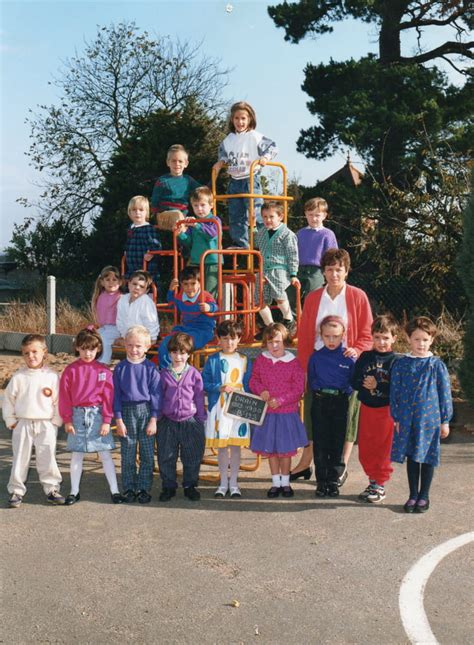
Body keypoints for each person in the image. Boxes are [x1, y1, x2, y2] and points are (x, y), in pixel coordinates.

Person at [293, 248, 373, 482]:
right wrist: (305, 369)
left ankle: (341, 466)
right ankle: (306, 462)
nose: (334, 274)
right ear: (324, 272)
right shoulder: (314, 297)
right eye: (329, 269)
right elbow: (306, 336)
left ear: (346, 272)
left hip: (346, 366)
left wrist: (356, 349)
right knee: (312, 415)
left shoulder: (358, 296)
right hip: (318, 364)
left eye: (339, 270)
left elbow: (367, 334)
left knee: (347, 417)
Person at [390, 317, 453, 513]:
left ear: (432, 340)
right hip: (408, 419)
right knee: (412, 457)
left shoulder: (436, 365)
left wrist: (445, 420)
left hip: (430, 421)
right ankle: (412, 495)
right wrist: (397, 418)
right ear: (409, 339)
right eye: (417, 339)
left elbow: (444, 394)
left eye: (425, 339)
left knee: (426, 457)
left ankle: (424, 495)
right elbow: (395, 392)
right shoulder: (401, 364)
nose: (421, 344)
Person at [59, 327, 123, 505]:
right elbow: (64, 397)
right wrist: (67, 419)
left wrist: (106, 421)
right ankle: (74, 491)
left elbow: (108, 397)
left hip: (97, 415)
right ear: (77, 348)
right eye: (84, 348)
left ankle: (115, 491)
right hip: (77, 416)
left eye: (92, 349)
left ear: (98, 349)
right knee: (77, 454)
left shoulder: (103, 371)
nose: (88, 353)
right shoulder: (70, 370)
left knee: (105, 454)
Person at [3, 334, 65, 508]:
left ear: (44, 352)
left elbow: (59, 401)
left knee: (47, 457)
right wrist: (11, 420)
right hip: (23, 423)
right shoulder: (19, 377)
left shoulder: (52, 376)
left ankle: (52, 489)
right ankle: (16, 490)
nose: (31, 356)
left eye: (35, 352)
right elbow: (8, 400)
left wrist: (56, 422)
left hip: (46, 423)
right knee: (20, 457)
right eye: (26, 353)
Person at [249, 323, 307, 498]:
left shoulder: (293, 363)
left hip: (286, 414)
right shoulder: (261, 360)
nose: (274, 346)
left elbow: (298, 389)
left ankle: (285, 483)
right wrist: (261, 391)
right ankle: (275, 483)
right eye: (269, 342)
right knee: (271, 450)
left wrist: (281, 400)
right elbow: (253, 380)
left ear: (285, 342)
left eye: (277, 342)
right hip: (267, 414)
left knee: (285, 450)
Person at [213, 101, 277, 248]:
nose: (240, 122)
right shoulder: (229, 139)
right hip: (234, 181)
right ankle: (241, 243)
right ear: (231, 119)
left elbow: (273, 147)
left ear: (250, 119)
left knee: (257, 214)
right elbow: (223, 154)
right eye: (236, 118)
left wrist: (265, 158)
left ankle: (266, 243)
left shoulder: (254, 136)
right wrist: (221, 162)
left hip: (250, 180)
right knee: (236, 216)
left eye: (243, 118)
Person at [202, 319, 252, 498]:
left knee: (235, 447)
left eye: (233, 338)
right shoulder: (213, 359)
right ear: (218, 339)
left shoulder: (244, 359)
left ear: (239, 339)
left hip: (238, 407)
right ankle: (223, 483)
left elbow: (249, 384)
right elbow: (205, 382)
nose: (229, 342)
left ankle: (234, 483)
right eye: (224, 338)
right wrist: (219, 387)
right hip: (220, 407)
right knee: (222, 447)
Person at [352, 314, 399, 503]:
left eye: (386, 338)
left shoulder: (396, 361)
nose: (381, 342)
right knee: (366, 447)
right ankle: (372, 481)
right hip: (367, 408)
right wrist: (365, 384)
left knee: (383, 448)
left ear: (394, 338)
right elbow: (353, 381)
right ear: (372, 336)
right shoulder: (365, 357)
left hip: (385, 412)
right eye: (378, 337)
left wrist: (377, 386)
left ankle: (380, 483)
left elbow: (396, 389)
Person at [113, 325, 162, 504]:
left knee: (148, 454)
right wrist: (118, 419)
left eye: (139, 346)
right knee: (128, 452)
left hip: (146, 412)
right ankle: (129, 487)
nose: (134, 349)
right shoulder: (120, 369)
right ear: (125, 345)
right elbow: (116, 395)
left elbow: (157, 395)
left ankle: (143, 487)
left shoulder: (151, 369)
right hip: (126, 412)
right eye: (131, 345)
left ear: (147, 347)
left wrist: (154, 419)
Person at [308, 316, 356, 497]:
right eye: (327, 336)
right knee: (320, 443)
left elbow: (353, 380)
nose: (331, 340)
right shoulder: (316, 357)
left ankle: (333, 481)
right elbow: (312, 378)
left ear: (343, 335)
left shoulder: (348, 357)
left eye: (335, 336)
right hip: (320, 401)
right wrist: (319, 392)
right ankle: (321, 482)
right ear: (321, 335)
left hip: (340, 402)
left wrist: (344, 392)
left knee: (337, 442)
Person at [156, 332, 206, 502]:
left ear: (189, 354)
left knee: (192, 455)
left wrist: (201, 417)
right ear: (169, 354)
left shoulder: (194, 374)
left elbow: (199, 396)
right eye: (175, 352)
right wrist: (158, 417)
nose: (178, 356)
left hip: (190, 420)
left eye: (183, 353)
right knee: (166, 455)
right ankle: (168, 486)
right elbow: (158, 397)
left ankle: (190, 485)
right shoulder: (163, 374)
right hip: (168, 421)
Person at [254, 200, 300, 339]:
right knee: (259, 300)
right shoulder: (261, 232)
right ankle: (270, 327)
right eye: (265, 217)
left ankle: (289, 319)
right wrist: (252, 226)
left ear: (280, 217)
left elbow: (292, 254)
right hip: (263, 270)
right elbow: (255, 242)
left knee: (280, 295)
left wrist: (293, 273)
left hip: (279, 269)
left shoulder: (287, 234)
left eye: (271, 216)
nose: (268, 220)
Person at [158, 266, 217, 369]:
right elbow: (171, 303)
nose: (189, 288)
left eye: (193, 283)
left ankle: (182, 371)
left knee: (182, 345)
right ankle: (166, 372)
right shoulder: (180, 296)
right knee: (165, 343)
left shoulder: (205, 296)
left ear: (199, 283)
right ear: (181, 285)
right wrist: (171, 290)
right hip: (185, 329)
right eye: (186, 284)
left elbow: (216, 308)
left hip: (202, 331)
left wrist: (209, 307)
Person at [177, 186, 222, 298]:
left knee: (210, 291)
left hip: (212, 262)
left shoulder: (214, 220)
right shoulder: (194, 223)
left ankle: (211, 312)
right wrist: (180, 234)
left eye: (202, 205)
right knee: (194, 290)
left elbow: (211, 235)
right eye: (196, 206)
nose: (199, 209)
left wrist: (196, 225)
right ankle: (195, 312)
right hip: (196, 261)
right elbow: (189, 243)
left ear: (211, 205)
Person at [296, 197, 338, 299]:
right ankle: (293, 315)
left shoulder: (327, 234)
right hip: (298, 269)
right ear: (305, 214)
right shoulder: (300, 233)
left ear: (324, 216)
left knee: (312, 297)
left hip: (317, 271)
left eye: (317, 215)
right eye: (310, 215)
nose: (314, 218)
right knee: (291, 295)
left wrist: (329, 272)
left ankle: (313, 315)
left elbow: (332, 256)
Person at [150, 144, 200, 219]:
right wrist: (155, 216)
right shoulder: (162, 181)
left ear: (186, 163)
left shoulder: (188, 180)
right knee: (177, 216)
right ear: (168, 162)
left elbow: (202, 190)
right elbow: (155, 199)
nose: (177, 164)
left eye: (180, 161)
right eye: (173, 161)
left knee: (191, 221)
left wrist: (214, 180)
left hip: (182, 216)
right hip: (165, 215)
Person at [124, 195, 161, 285]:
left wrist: (151, 253)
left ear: (146, 212)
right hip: (132, 268)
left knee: (146, 287)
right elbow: (128, 244)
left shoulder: (148, 228)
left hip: (146, 267)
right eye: (134, 210)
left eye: (141, 210)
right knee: (131, 287)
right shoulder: (130, 229)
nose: (137, 213)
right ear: (129, 212)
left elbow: (156, 245)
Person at [116, 270, 160, 345]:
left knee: (133, 345)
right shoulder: (122, 299)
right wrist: (124, 335)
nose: (137, 288)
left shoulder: (146, 302)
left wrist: (152, 338)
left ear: (146, 290)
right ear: (129, 284)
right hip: (128, 336)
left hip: (142, 336)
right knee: (112, 341)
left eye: (141, 286)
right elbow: (120, 320)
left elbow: (151, 322)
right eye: (134, 284)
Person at [91, 265, 122, 364]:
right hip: (105, 327)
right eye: (108, 279)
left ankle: (104, 361)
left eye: (114, 279)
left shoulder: (121, 297)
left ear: (120, 282)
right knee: (92, 336)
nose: (111, 282)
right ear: (102, 282)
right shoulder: (101, 296)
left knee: (104, 338)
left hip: (117, 328)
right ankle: (92, 358)